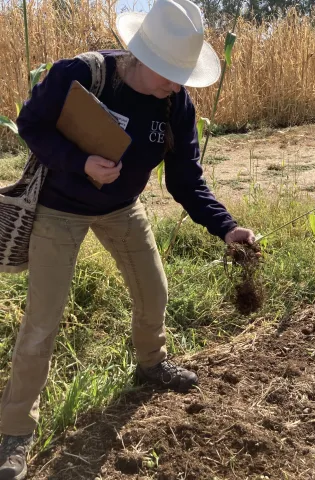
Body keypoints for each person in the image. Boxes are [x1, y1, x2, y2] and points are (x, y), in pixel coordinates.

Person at [0, 0, 256, 478]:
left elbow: (187, 180)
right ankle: (15, 431)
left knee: (153, 290)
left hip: (121, 207)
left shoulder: (176, 104)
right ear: (140, 54)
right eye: (168, 71)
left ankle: (151, 364)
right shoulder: (81, 74)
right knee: (42, 320)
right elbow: (30, 124)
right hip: (60, 207)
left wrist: (226, 226)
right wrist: (79, 163)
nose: (176, 84)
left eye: (182, 74)